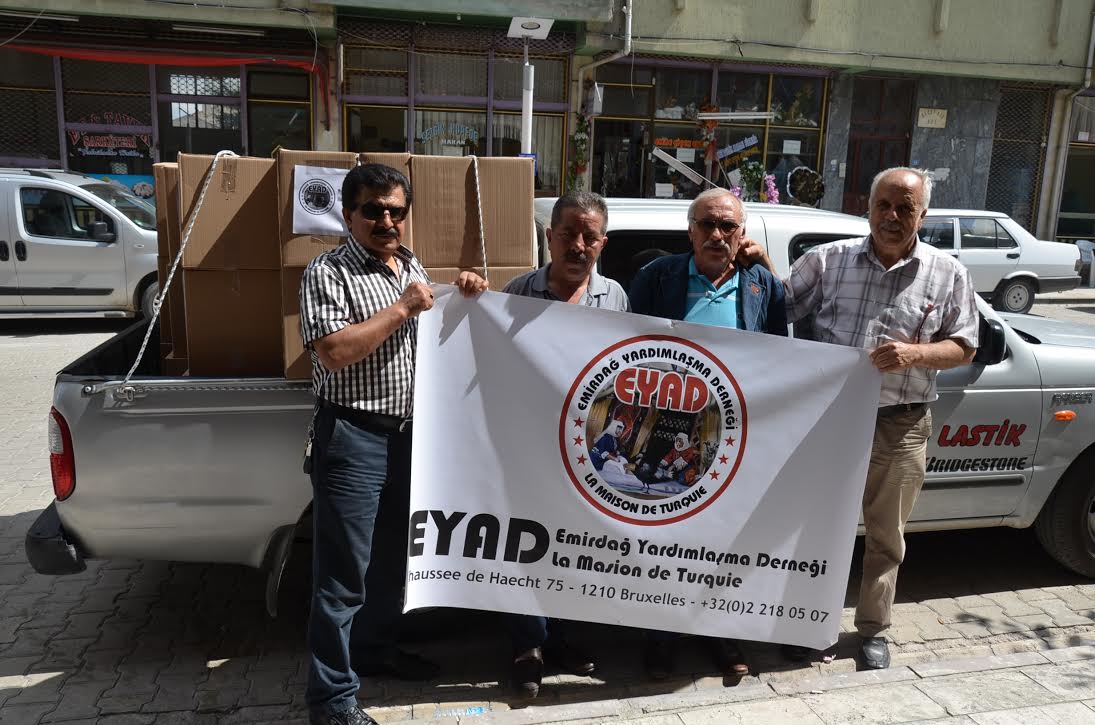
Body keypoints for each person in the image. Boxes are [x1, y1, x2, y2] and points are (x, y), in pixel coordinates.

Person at [742, 167, 979, 670]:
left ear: (922, 215)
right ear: (867, 208)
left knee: (885, 536)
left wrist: (915, 354)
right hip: (828, 422)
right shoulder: (828, 261)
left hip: (901, 423)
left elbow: (964, 346)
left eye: (904, 208)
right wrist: (760, 261)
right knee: (813, 528)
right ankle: (804, 623)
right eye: (883, 206)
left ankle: (873, 629)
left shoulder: (949, 273)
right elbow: (780, 305)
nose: (892, 216)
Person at [299, 163, 487, 725]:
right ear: (348, 215)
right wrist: (404, 307)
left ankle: (375, 651)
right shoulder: (328, 272)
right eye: (373, 210)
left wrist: (464, 290)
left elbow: (436, 322)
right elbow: (333, 351)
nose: (386, 221)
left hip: (410, 438)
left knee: (389, 563)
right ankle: (331, 701)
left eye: (396, 211)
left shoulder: (410, 265)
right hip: (353, 437)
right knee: (341, 577)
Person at [628, 187, 787, 681]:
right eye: (707, 225)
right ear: (690, 231)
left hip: (732, 431)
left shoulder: (763, 284)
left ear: (742, 233)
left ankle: (722, 634)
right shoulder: (658, 276)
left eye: (728, 226)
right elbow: (622, 344)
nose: (717, 235)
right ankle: (660, 638)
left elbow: (782, 356)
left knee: (726, 535)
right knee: (665, 533)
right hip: (669, 420)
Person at [500, 190, 629, 699]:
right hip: (529, 447)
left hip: (586, 453)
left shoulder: (615, 297)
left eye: (589, 236)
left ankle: (566, 641)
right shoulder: (518, 292)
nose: (578, 245)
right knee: (526, 546)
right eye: (568, 234)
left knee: (577, 544)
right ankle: (527, 647)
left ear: (603, 243)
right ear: (549, 236)